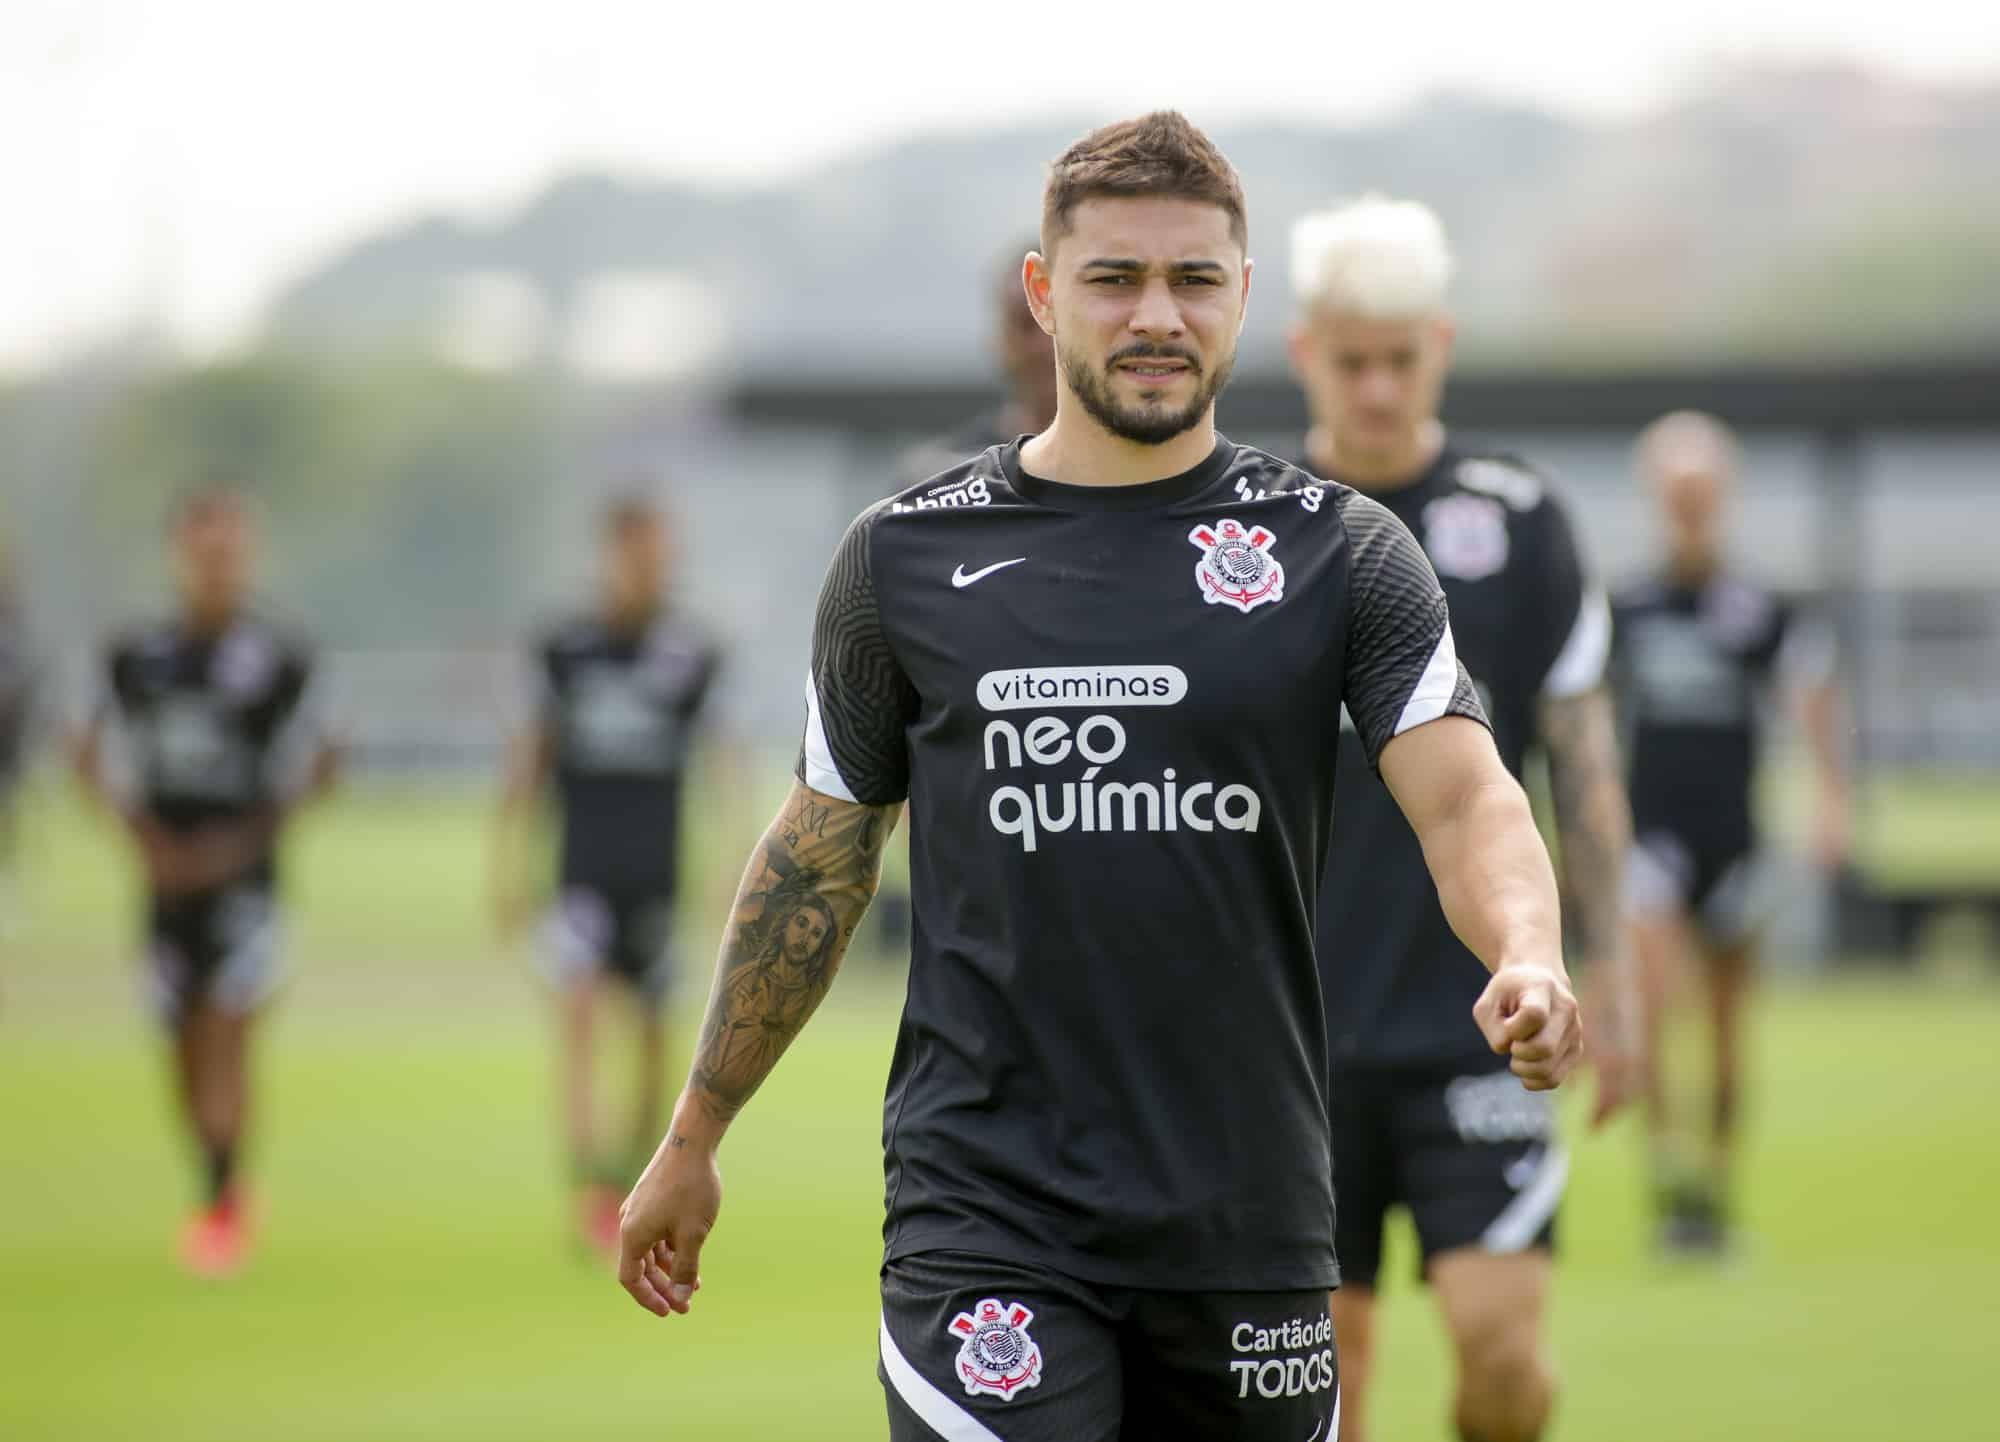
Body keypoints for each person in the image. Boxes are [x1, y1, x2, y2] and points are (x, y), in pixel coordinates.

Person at [616, 112, 1586, 1442]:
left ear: (1243, 297)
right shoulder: (903, 558)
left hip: (1248, 1218)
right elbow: (816, 855)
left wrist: (1527, 948)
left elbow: (1469, 795)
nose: (1157, 316)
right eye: (1114, 278)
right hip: (987, 1212)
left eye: (1194, 279)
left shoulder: (1341, 554)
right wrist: (694, 1131)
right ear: (1043, 293)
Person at [1286, 194, 1639, 1442]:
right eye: (1349, 360)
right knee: (1326, 1385)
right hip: (1292, 1033)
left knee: (1501, 1354)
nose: (1376, 388)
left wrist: (1612, 970)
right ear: (1303, 352)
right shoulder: (1256, 527)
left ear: (1437, 345)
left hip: (1474, 1017)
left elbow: (1580, 760)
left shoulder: (1522, 517)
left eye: (1399, 358)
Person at [71, 486, 339, 1276]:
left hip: (246, 881)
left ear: (249, 552)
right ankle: (214, 1173)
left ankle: (222, 1204)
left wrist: (250, 838)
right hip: (166, 879)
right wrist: (141, 839)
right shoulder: (136, 654)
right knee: (182, 1045)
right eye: (203, 547)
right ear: (179, 552)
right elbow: (82, 748)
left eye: (231, 547)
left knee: (228, 1028)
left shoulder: (279, 655)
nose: (217, 563)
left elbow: (324, 758)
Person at [1612, 411, 1848, 1257]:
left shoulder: (1760, 610)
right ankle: (1667, 1184)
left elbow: (1814, 699)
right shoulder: (1627, 606)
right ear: (1654, 499)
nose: (1690, 507)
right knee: (1651, 1006)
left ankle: (1715, 1191)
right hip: (1651, 838)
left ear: (1726, 498)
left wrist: (1829, 799)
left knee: (1724, 1027)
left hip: (1735, 841)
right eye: (1676, 493)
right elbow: (1590, 718)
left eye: (1703, 492)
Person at [492, 495, 722, 1253]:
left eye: (661, 552)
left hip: (656, 871)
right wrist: (509, 863)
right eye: (638, 552)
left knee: (657, 1032)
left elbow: (722, 758)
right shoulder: (566, 646)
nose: (652, 567)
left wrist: (728, 863)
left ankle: (636, 1172)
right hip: (582, 872)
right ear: (611, 553)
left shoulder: (691, 650)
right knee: (582, 1013)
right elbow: (530, 755)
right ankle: (588, 1184)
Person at [894, 236, 1061, 485]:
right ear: (998, 338)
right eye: (1025, 324)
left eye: (1059, 323)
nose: (1045, 345)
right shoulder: (940, 479)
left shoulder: (1132, 472)